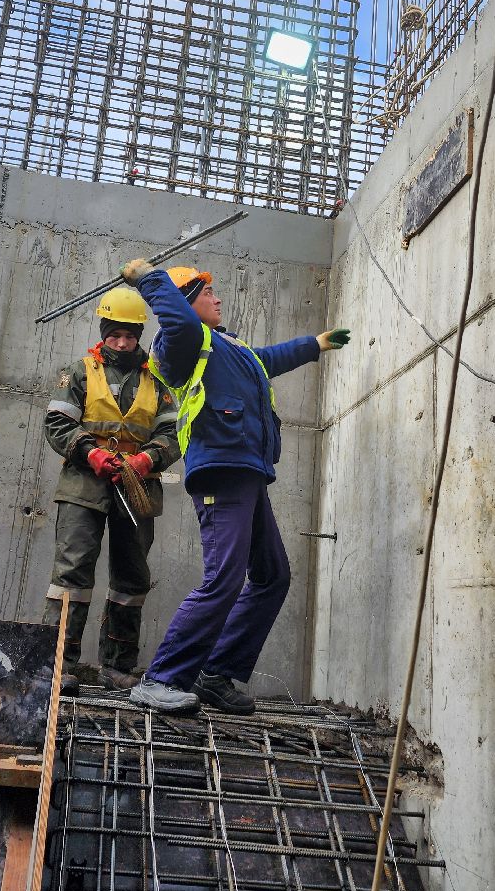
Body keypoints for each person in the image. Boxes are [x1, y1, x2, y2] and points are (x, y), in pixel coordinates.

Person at [119, 259, 350, 714]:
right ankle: (162, 677)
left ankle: (217, 673)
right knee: (222, 579)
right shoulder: (180, 342)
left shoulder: (224, 346)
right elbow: (178, 319)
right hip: (221, 471)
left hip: (247, 471)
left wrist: (314, 345)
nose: (218, 298)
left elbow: (263, 360)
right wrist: (150, 278)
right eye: (208, 293)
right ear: (186, 302)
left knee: (271, 576)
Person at [43, 286, 181, 694]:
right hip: (85, 484)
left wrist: (147, 459)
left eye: (130, 335)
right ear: (104, 332)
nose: (122, 343)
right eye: (114, 335)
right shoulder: (80, 372)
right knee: (71, 574)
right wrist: (90, 453)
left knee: (131, 579)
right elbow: (58, 424)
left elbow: (174, 432)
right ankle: (58, 666)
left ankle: (118, 666)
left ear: (140, 335)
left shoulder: (158, 380)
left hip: (137, 488)